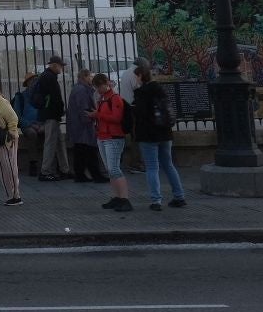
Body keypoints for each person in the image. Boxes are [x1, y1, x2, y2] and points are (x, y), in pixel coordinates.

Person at [131, 67, 187, 211]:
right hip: (165, 132)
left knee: (152, 167)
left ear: (141, 76)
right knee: (168, 165)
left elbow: (141, 113)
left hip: (149, 134)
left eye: (136, 76)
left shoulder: (141, 92)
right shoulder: (160, 89)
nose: (135, 79)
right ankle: (179, 196)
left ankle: (156, 200)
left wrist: (132, 108)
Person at [91, 74, 132, 212]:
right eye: (96, 87)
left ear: (104, 84)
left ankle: (124, 198)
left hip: (113, 136)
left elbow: (116, 118)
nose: (98, 90)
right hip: (103, 136)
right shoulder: (102, 99)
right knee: (110, 169)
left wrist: (98, 115)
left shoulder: (114, 98)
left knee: (114, 169)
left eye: (99, 86)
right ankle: (117, 197)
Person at [29, 56, 70, 181]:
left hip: (50, 114)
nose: (61, 68)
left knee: (59, 142)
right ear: (54, 65)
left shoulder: (47, 76)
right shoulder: (49, 77)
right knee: (51, 143)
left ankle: (64, 170)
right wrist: (61, 109)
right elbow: (55, 97)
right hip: (51, 114)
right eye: (60, 65)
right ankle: (45, 171)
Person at [66, 69, 107, 184]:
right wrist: (92, 117)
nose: (91, 79)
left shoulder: (78, 89)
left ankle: (80, 175)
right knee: (90, 151)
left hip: (77, 125)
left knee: (80, 152)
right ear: (84, 77)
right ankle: (96, 175)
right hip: (83, 126)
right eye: (90, 76)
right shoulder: (82, 91)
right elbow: (83, 109)